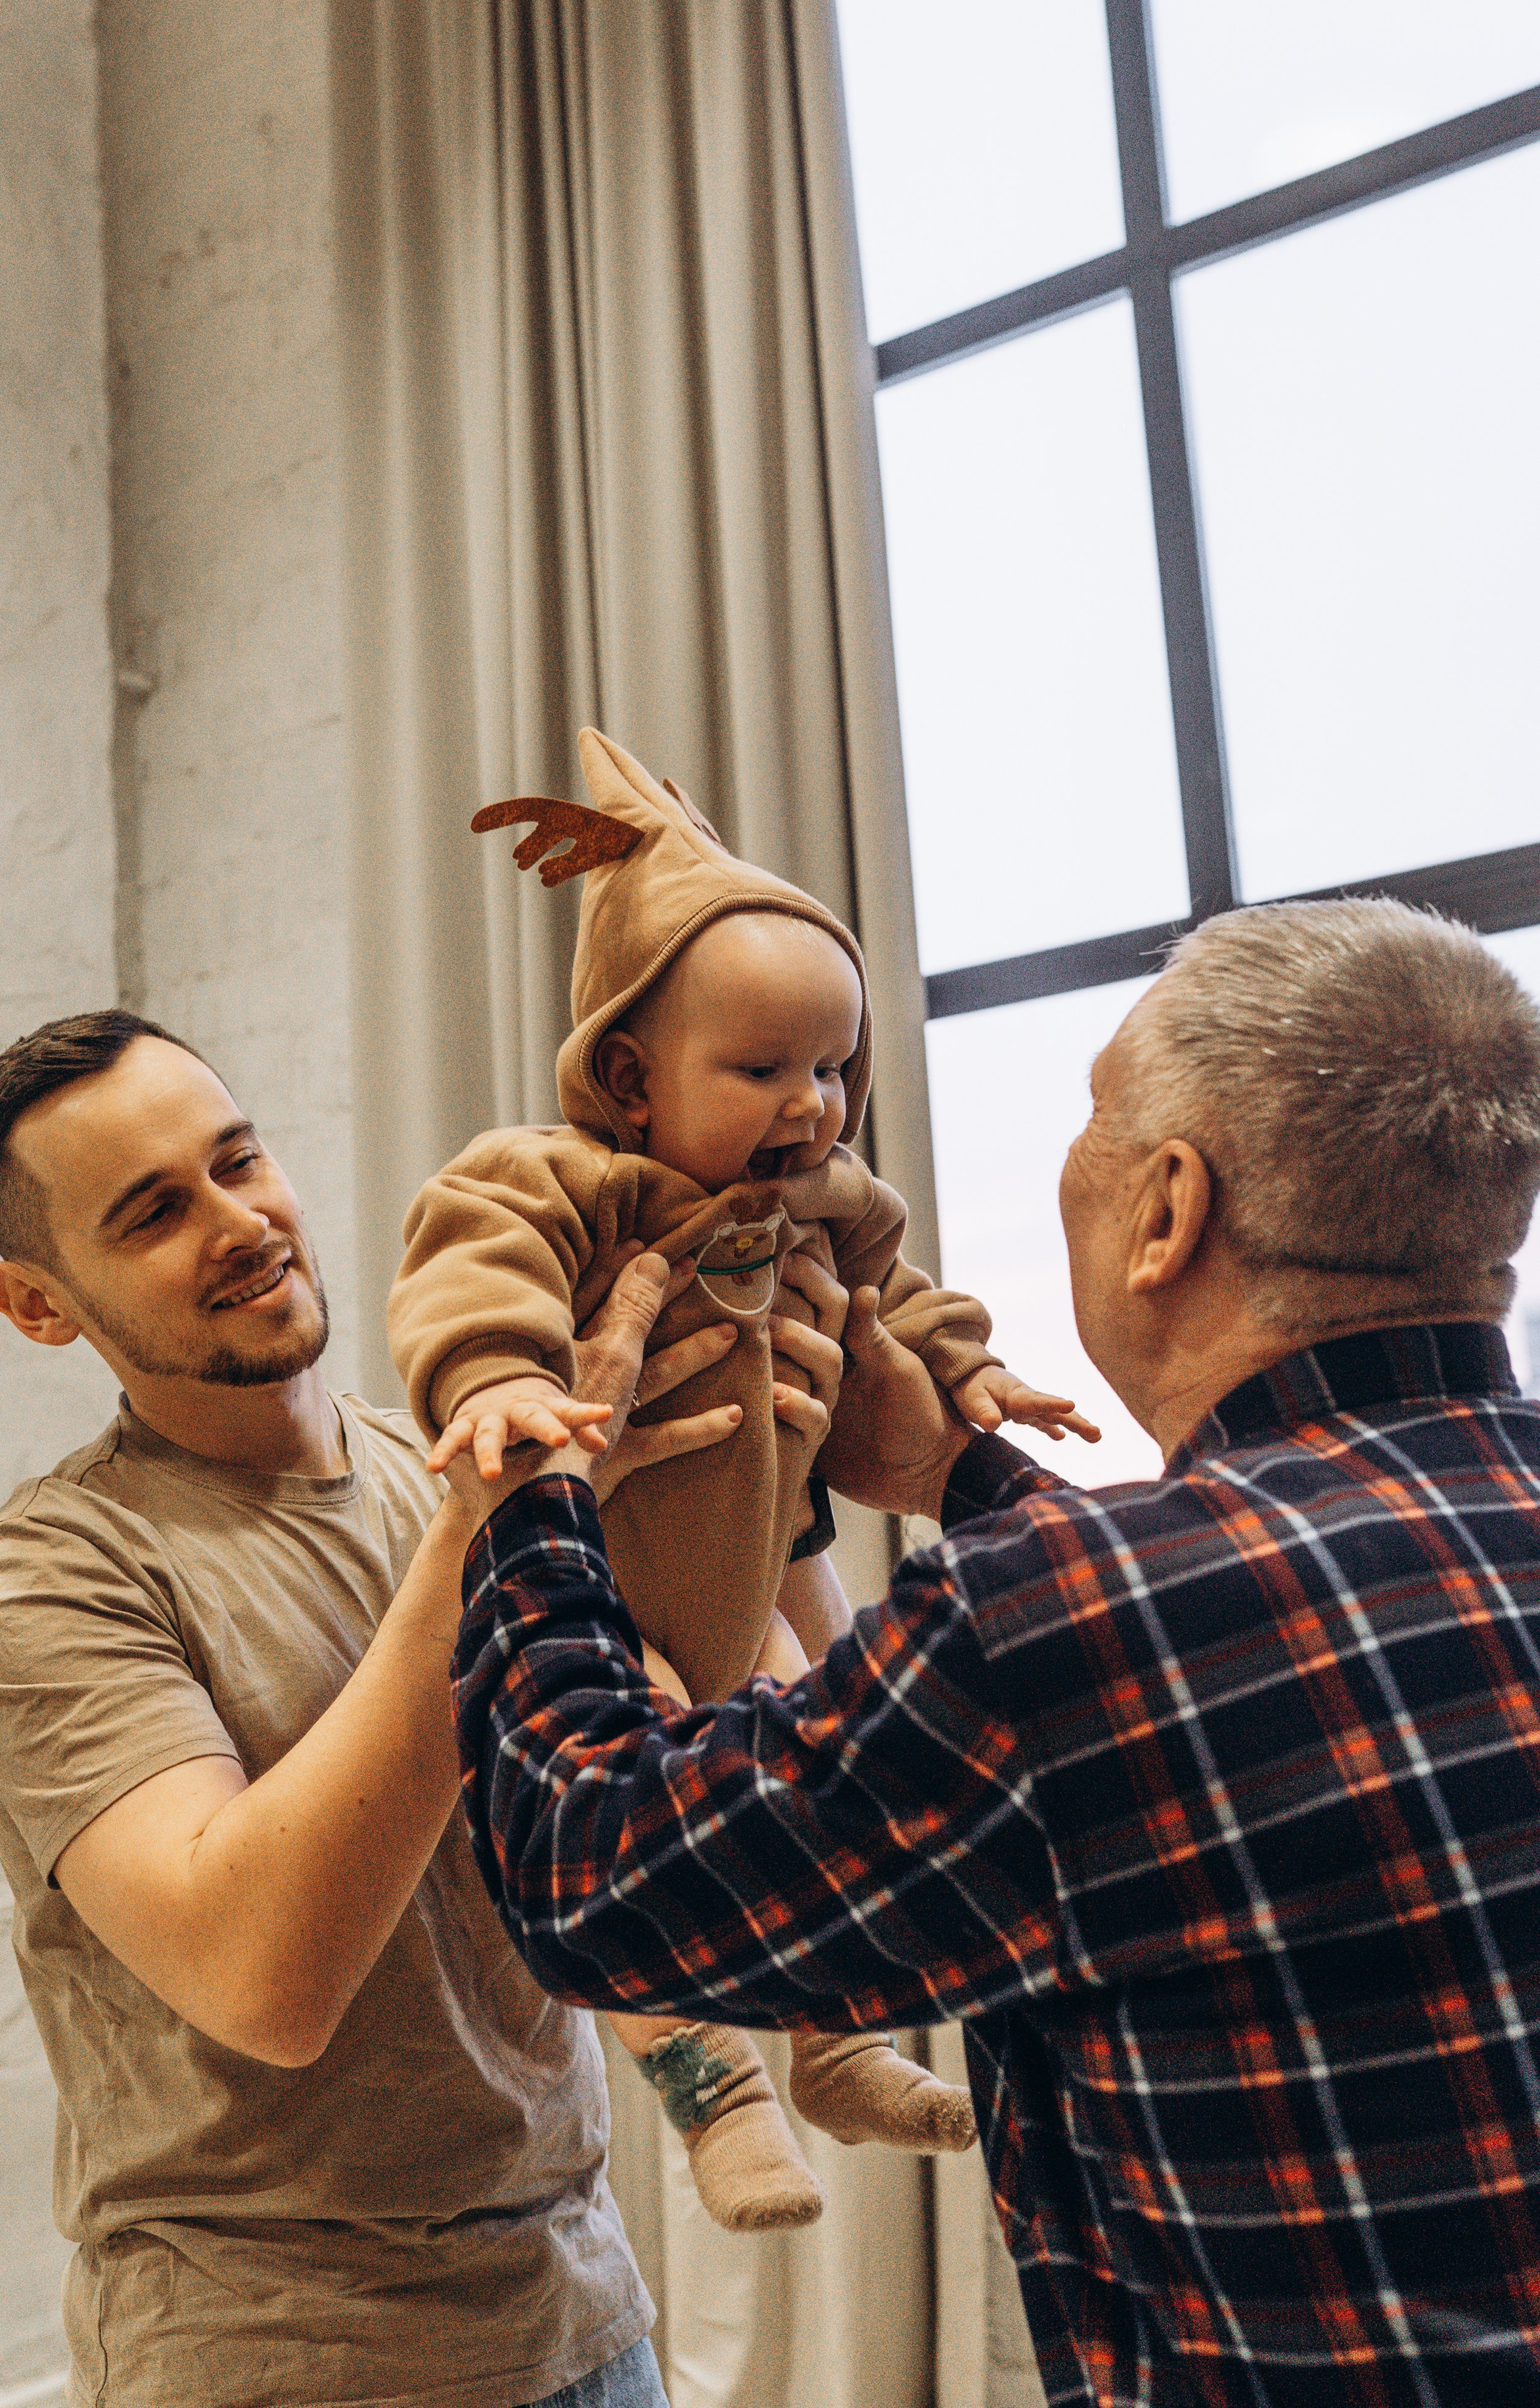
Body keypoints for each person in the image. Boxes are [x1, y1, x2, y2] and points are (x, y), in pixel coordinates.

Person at [447, 899, 1540, 2408]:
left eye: (1094, 1119)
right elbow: (1278, 1657)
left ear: (1165, 1208)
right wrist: (965, 1477)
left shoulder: (1065, 1628)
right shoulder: (1141, 1609)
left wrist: (538, 1487)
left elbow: (593, 1870)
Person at [0, 1009, 825, 2408]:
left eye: (239, 1160)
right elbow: (263, 1983)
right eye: (155, 1211)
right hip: (273, 2362)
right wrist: (485, 1527)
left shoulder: (452, 1463)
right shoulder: (47, 1585)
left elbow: (648, 1780)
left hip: (583, 2316)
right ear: (39, 1303)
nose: (239, 1222)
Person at [391, 729, 1092, 2229]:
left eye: (833, 1067)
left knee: (807, 1792)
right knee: (627, 1809)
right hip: (610, 1579)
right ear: (630, 1080)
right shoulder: (560, 1178)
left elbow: (898, 1295)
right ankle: (716, 2101)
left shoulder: (825, 1202)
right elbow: (471, 1267)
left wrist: (970, 1386)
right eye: (764, 1069)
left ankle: (837, 2049)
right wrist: (503, 1376)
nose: (816, 1105)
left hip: (755, 1569)